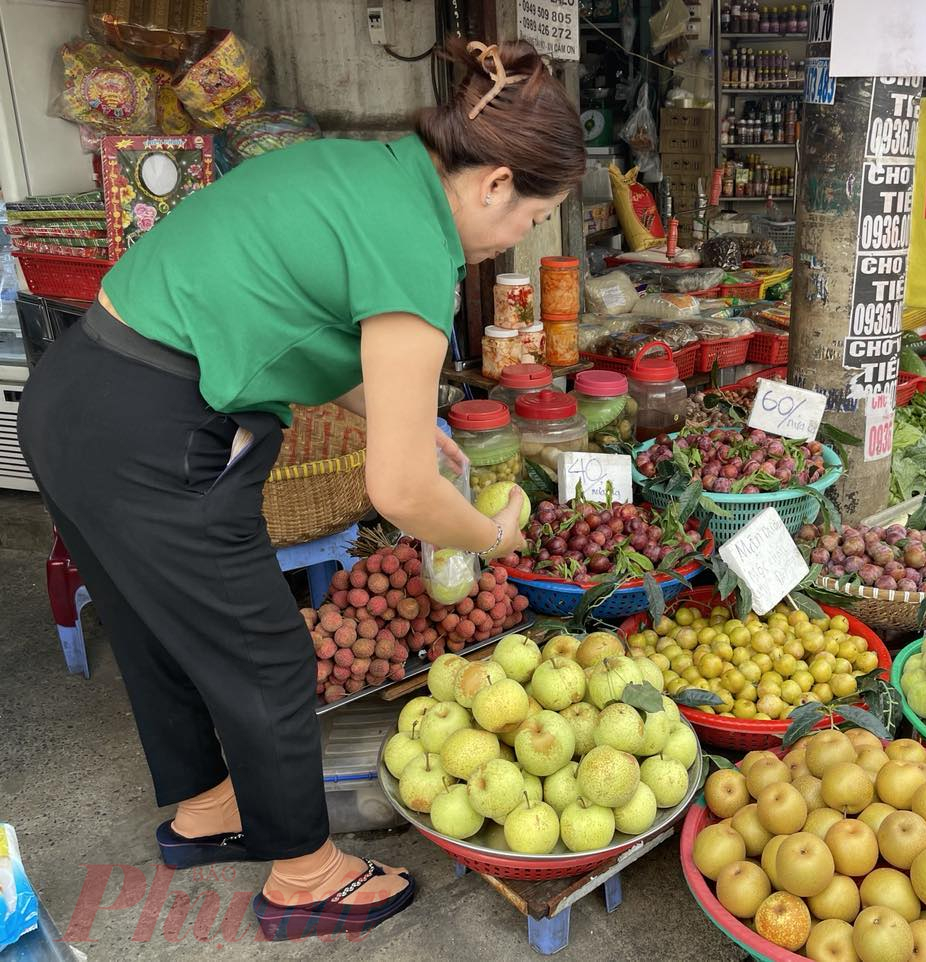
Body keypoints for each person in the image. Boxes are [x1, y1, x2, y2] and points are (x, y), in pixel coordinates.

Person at [18, 39, 585, 940]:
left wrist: (402, 414)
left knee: (154, 630)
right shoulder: (420, 240)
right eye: (531, 218)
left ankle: (206, 813)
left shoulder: (367, 169)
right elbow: (398, 492)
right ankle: (307, 879)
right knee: (267, 656)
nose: (517, 240)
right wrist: (490, 534)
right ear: (493, 183)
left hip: (75, 393)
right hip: (155, 427)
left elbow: (316, 311)